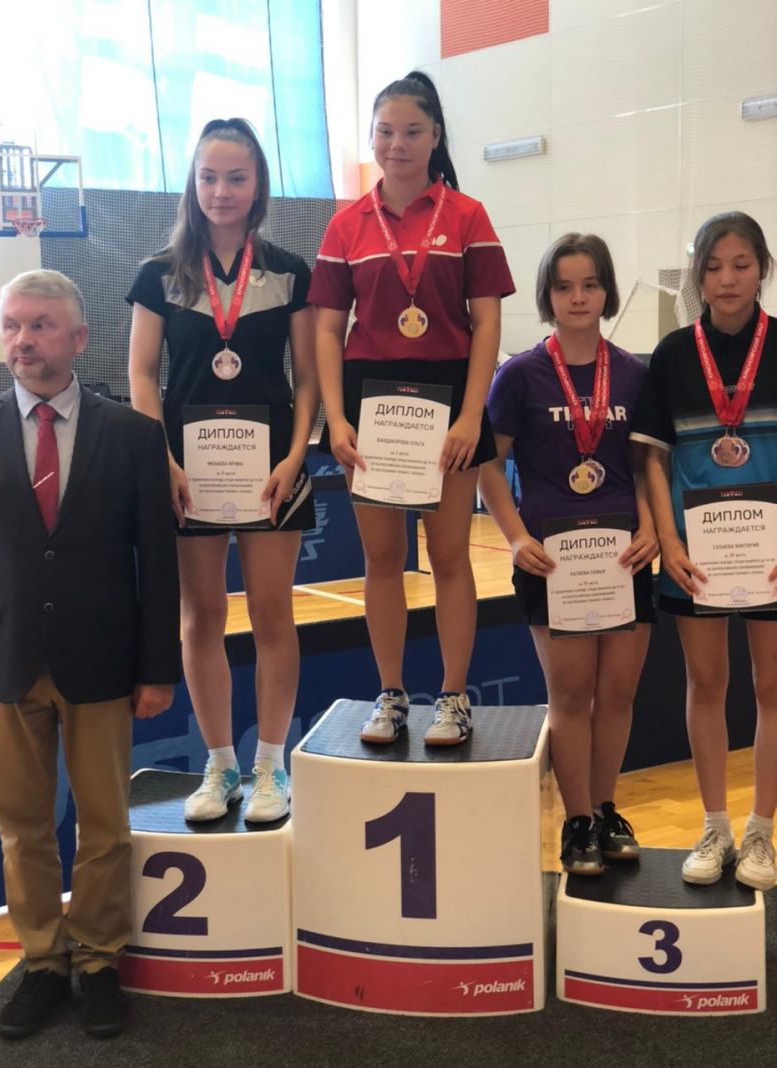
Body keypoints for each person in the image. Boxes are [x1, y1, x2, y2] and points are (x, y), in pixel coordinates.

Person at [0, 270, 180, 1039]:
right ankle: (41, 962)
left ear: (78, 337)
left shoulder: (133, 435)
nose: (22, 341)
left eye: (39, 325)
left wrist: (156, 668)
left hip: (102, 660)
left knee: (105, 825)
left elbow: (156, 560)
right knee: (20, 824)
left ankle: (97, 961)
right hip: (2, 663)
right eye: (11, 326)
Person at [310, 71, 514, 746]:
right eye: (385, 132)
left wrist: (471, 416)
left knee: (449, 556)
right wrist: (337, 418)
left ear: (435, 137)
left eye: (412, 131)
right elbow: (327, 330)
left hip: (447, 397)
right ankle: (391, 696)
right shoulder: (346, 224)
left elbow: (487, 322)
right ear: (371, 137)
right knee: (383, 558)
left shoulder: (468, 216)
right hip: (370, 401)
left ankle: (453, 698)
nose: (396, 144)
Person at [128, 118, 318, 824]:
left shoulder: (290, 271)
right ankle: (220, 766)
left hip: (272, 471)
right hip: (188, 473)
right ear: (192, 183)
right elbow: (142, 374)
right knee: (201, 615)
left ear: (258, 184)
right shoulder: (159, 274)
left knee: (272, 613)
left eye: (236, 177)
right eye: (209, 177)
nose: (221, 191)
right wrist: (163, 460)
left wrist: (297, 455)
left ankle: (271, 765)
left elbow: (308, 376)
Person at [479, 234, 658, 874]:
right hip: (553, 564)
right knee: (572, 695)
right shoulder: (518, 375)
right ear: (547, 295)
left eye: (590, 284)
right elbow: (488, 467)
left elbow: (644, 466)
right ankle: (576, 820)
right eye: (564, 286)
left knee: (618, 694)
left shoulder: (633, 374)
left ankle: (606, 810)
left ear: (607, 290)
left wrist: (651, 528)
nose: (578, 297)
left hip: (623, 559)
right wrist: (515, 538)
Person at [630, 211, 777, 889]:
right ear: (697, 276)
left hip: (769, 555)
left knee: (771, 688)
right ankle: (715, 826)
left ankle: (761, 832)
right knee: (707, 683)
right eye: (713, 267)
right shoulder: (671, 355)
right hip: (695, 555)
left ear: (762, 269)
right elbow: (653, 460)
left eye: (741, 265)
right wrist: (667, 540)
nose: (727, 279)